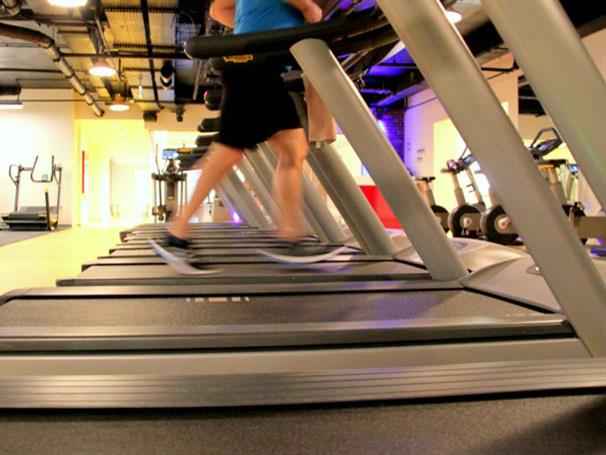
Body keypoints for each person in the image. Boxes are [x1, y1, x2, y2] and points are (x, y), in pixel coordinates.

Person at [164, 0, 324, 258]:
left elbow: (217, 9)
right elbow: (310, 11)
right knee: (229, 150)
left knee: (292, 148)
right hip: (254, 66)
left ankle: (291, 232)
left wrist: (248, 30)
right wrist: (309, 9)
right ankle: (179, 226)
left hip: (263, 66)